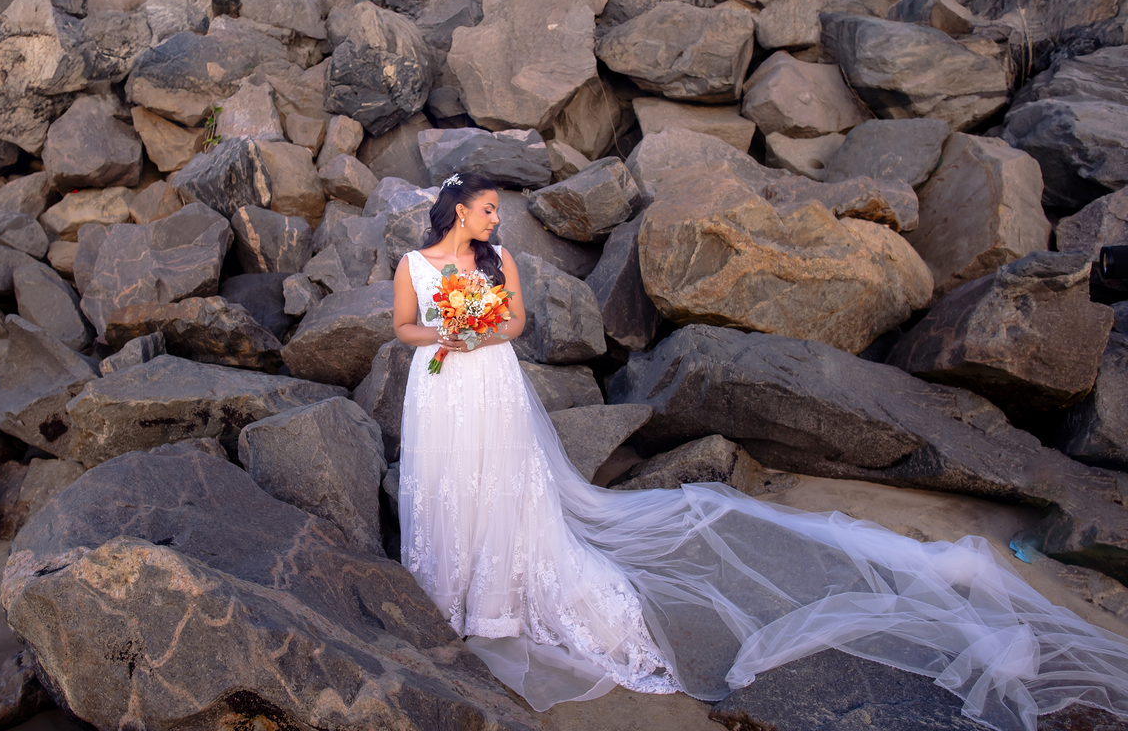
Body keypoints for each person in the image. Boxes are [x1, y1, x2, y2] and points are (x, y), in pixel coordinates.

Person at [392, 172, 1128, 730]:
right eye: (489, 208)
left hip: (491, 380)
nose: (496, 218)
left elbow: (517, 322)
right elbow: (403, 328)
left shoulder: (499, 263)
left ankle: (496, 596)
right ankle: (445, 582)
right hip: (442, 386)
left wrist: (480, 331)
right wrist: (447, 334)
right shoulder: (417, 267)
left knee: (503, 482)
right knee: (450, 481)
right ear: (461, 210)